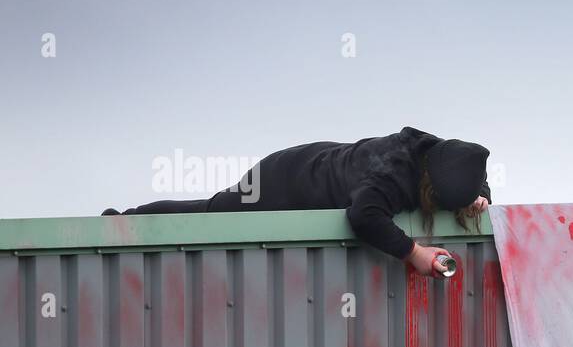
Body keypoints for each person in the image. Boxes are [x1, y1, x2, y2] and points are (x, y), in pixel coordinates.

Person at [104, 127, 490, 276]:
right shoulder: (390, 176)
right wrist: (414, 253)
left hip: (319, 158)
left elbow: (475, 172)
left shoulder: (435, 150)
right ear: (429, 185)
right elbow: (365, 216)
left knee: (211, 208)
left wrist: (482, 197)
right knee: (212, 212)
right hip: (282, 180)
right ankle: (126, 218)